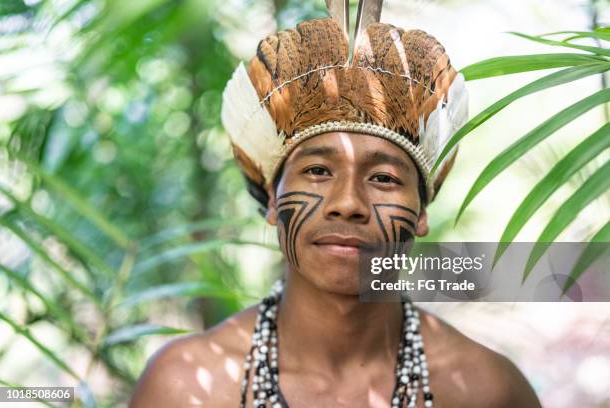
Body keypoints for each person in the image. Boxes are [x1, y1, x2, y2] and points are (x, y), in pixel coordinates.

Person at [130, 2, 541, 407]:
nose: (347, 204)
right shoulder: (186, 387)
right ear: (273, 199)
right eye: (317, 171)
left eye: (384, 178)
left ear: (420, 213)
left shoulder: (486, 390)